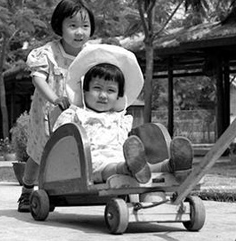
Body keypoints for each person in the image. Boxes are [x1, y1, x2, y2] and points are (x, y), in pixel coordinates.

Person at [54, 44, 193, 183]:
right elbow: (59, 140)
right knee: (109, 167)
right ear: (84, 90)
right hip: (88, 162)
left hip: (122, 157)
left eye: (110, 91)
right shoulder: (76, 114)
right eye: (97, 88)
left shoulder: (119, 118)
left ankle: (171, 166)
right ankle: (131, 168)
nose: (103, 95)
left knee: (138, 165)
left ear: (118, 96)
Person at [18, 0, 95, 212]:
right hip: (48, 112)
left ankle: (71, 188)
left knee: (78, 148)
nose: (79, 32)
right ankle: (27, 191)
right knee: (39, 152)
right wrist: (55, 98)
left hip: (79, 112)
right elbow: (38, 78)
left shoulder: (91, 54)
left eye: (85, 26)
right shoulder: (47, 54)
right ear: (59, 26)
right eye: (73, 26)